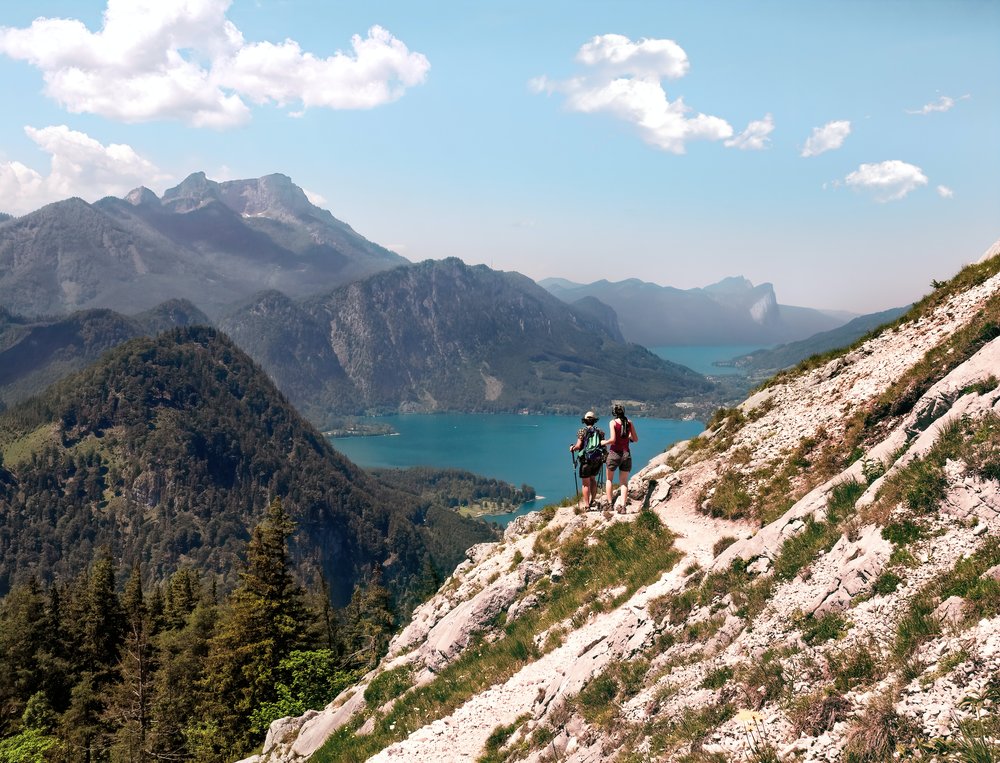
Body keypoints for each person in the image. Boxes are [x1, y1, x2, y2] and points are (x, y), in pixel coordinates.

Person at [603, 404, 638, 512]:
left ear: (614, 413)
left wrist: (604, 442)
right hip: (626, 454)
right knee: (623, 482)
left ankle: (609, 505)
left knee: (609, 479)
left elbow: (613, 440)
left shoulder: (612, 422)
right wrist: (628, 437)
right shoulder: (629, 422)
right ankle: (623, 507)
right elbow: (635, 439)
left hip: (614, 454)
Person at [569, 410, 605, 509]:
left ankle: (587, 505)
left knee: (585, 484)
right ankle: (593, 500)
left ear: (585, 421)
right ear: (594, 421)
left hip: (586, 460)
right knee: (593, 480)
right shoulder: (600, 432)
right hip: (597, 460)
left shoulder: (582, 431)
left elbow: (578, 446)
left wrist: (572, 448)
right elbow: (603, 446)